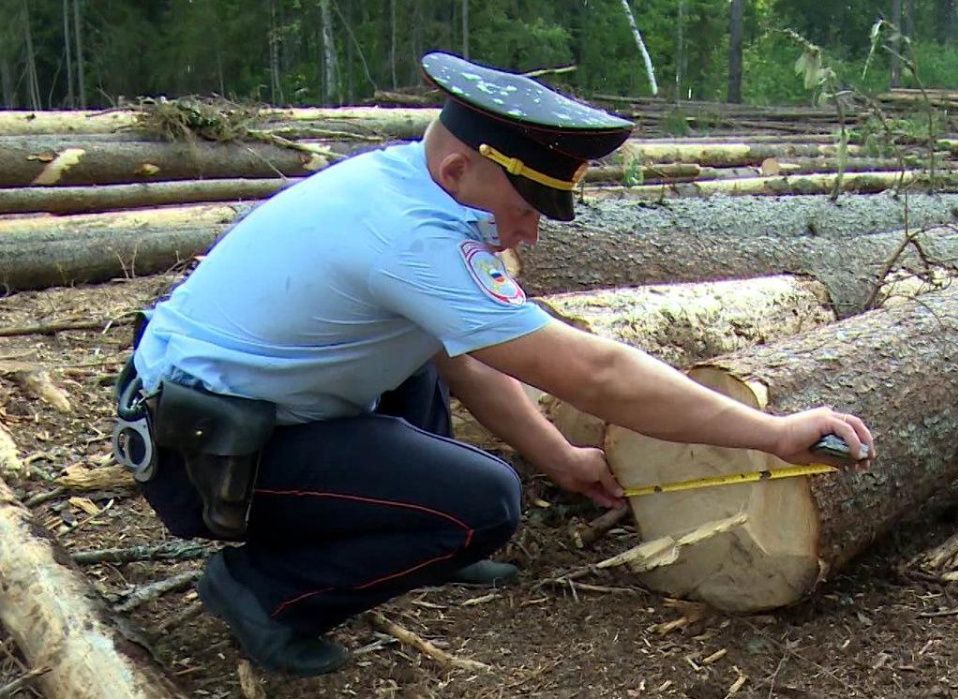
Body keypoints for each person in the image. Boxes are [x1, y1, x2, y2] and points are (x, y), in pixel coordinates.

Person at [112, 52, 874, 677]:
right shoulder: (412, 235)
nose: (530, 233)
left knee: (422, 361)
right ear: (458, 169)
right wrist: (771, 433)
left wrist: (560, 455)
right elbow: (596, 375)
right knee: (486, 501)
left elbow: (463, 351)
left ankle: (422, 540)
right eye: (525, 206)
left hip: (225, 413)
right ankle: (265, 591)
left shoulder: (402, 181)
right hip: (206, 453)